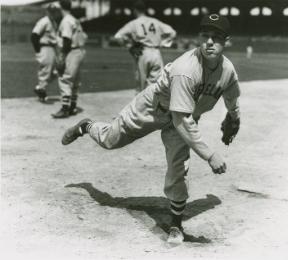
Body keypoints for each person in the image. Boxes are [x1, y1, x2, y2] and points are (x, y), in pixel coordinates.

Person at [62, 14, 241, 245]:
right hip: (154, 108)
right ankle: (87, 126)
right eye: (205, 35)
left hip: (183, 117)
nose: (209, 42)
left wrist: (234, 118)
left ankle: (176, 224)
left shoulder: (227, 70)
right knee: (110, 140)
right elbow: (181, 120)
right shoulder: (186, 68)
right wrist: (210, 154)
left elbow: (232, 96)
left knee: (179, 167)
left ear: (226, 40)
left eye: (215, 37)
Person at [114, 0, 176, 93]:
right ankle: (152, 106)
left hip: (143, 52)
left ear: (134, 10)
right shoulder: (155, 21)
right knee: (155, 85)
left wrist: (129, 46)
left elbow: (118, 36)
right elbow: (172, 32)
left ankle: (140, 106)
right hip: (156, 53)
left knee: (141, 86)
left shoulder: (134, 23)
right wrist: (163, 43)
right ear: (145, 10)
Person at [52, 0, 87, 118]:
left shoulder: (66, 21)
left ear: (61, 8)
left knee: (65, 79)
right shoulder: (74, 19)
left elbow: (66, 40)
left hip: (71, 51)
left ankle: (65, 109)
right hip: (80, 50)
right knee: (76, 80)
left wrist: (62, 56)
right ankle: (72, 107)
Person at [31, 3, 62, 103]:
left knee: (56, 72)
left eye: (54, 11)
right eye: (51, 11)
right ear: (47, 11)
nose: (53, 13)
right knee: (46, 70)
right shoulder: (44, 21)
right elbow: (34, 35)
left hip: (52, 48)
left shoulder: (53, 22)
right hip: (45, 48)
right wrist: (38, 50)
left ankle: (40, 87)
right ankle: (42, 91)